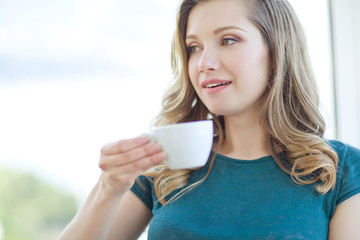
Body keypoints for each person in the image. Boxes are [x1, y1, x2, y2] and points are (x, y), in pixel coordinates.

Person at [58, 0, 360, 239]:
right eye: (194, 48)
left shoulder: (341, 171)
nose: (204, 63)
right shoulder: (167, 167)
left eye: (228, 40)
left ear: (277, 50)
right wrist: (109, 188)